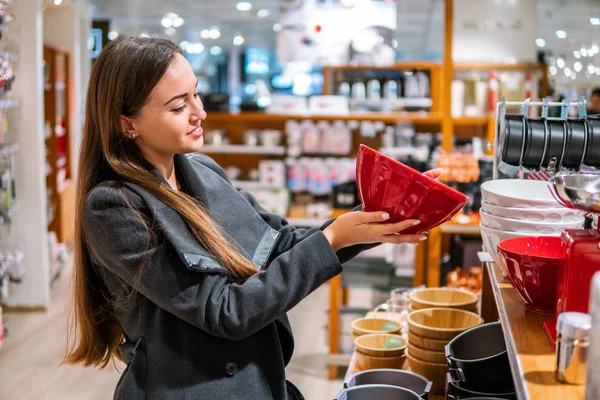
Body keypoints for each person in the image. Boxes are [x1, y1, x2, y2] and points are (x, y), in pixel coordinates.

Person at [65, 37, 440, 400]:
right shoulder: (115, 207)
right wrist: (335, 239)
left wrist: (385, 209)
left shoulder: (202, 172)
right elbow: (225, 311)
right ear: (127, 123)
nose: (200, 113)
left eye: (196, 94)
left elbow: (280, 244)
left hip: (258, 378)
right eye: (178, 107)